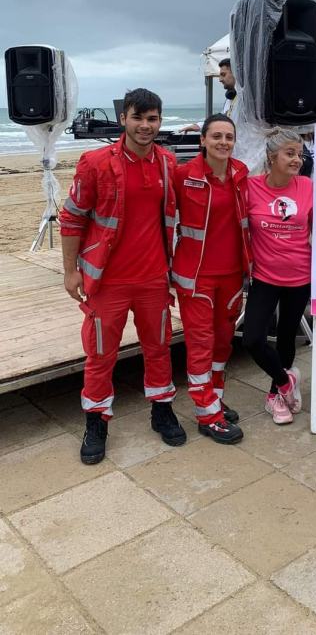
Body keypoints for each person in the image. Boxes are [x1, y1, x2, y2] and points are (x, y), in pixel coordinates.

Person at [60, 88, 186, 465]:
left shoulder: (167, 162)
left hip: (153, 279)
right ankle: (96, 421)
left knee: (159, 348)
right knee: (100, 354)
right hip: (107, 281)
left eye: (153, 119)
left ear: (160, 122)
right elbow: (71, 217)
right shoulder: (95, 162)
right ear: (123, 119)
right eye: (138, 118)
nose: (145, 126)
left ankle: (161, 410)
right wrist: (70, 272)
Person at [171, 114, 252, 444]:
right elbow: (160, 220)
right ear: (202, 140)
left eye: (228, 137)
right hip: (195, 278)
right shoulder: (182, 175)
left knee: (223, 342)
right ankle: (207, 413)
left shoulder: (241, 174)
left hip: (233, 275)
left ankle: (215, 396)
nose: (223, 142)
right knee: (201, 345)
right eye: (216, 136)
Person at [243, 128, 313, 424]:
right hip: (264, 276)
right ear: (272, 157)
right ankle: (287, 382)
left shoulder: (308, 187)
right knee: (252, 339)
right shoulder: (250, 187)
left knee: (287, 338)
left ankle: (276, 396)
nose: (297, 159)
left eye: (299, 154)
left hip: (300, 275)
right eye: (289, 153)